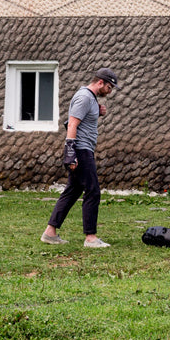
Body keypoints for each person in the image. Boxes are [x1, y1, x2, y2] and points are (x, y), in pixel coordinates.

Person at [42, 67, 118, 248]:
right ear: (100, 82)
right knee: (93, 191)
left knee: (73, 191)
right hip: (80, 150)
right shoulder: (84, 97)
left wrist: (96, 112)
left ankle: (50, 233)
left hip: (84, 148)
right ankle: (91, 238)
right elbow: (72, 124)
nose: (110, 91)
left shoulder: (91, 99)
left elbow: (83, 120)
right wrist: (70, 152)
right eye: (109, 87)